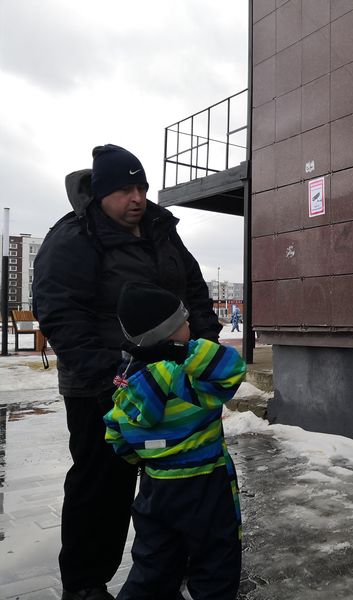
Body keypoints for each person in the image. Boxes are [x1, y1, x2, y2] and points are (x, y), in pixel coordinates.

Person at [33, 144, 221, 600]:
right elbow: (60, 314)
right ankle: (85, 584)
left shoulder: (161, 230)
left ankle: (167, 570)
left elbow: (195, 292)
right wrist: (109, 377)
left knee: (176, 480)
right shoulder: (74, 237)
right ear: (101, 193)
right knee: (101, 487)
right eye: (124, 190)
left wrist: (205, 348)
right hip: (101, 387)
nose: (137, 198)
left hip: (172, 381)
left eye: (142, 187)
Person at [105, 281, 246, 599]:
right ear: (169, 335)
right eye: (183, 322)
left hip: (156, 487)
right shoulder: (185, 378)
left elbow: (116, 433)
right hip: (205, 484)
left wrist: (148, 456)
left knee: (153, 564)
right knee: (215, 563)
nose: (190, 325)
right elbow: (232, 369)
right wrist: (187, 352)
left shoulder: (128, 382)